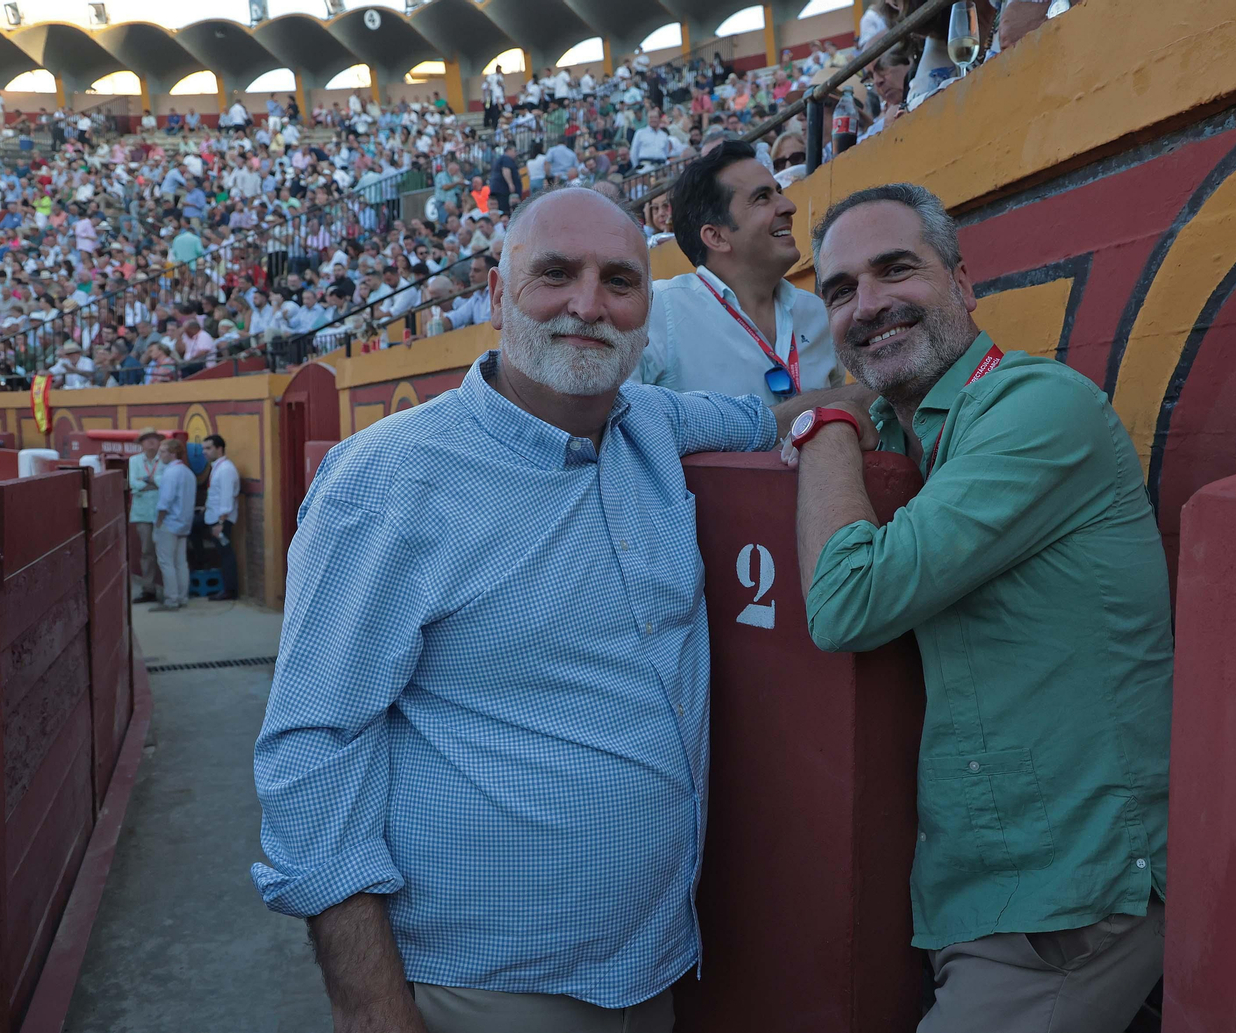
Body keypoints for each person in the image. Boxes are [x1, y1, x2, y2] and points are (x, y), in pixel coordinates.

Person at [252, 187, 778, 1033]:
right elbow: (313, 750)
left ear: (647, 310)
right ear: (498, 298)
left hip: (656, 967)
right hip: (487, 989)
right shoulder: (389, 480)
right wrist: (374, 1012)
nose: (588, 304)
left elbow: (774, 419)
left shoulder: (651, 423)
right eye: (555, 274)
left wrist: (847, 420)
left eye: (620, 281)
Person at [788, 183, 1172, 1033]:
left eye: (897, 270)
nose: (870, 304)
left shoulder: (1038, 406)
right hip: (991, 888)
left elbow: (846, 604)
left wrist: (823, 432)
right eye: (842, 289)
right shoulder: (913, 428)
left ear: (964, 285)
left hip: (1066, 902)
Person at [635, 140, 866, 426]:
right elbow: (620, 428)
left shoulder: (817, 313)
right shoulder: (659, 310)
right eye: (762, 198)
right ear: (716, 237)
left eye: (778, 192)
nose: (789, 206)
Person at [151, 437, 196, 611]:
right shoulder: (188, 472)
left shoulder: (171, 472)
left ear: (172, 453)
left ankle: (171, 599)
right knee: (180, 562)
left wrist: (158, 522)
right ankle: (182, 597)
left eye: (162, 451)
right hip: (184, 522)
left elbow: (165, 501)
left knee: (166, 562)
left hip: (169, 522)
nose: (160, 455)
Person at [202, 433, 240, 601]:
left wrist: (220, 522)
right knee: (224, 553)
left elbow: (226, 497)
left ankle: (229, 590)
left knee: (226, 554)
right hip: (215, 517)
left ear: (219, 448)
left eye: (208, 448)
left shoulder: (225, 469)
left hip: (221, 520)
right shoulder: (218, 467)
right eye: (203, 448)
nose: (205, 452)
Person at [128, 429, 164, 603]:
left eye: (154, 439)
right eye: (146, 439)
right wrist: (155, 483)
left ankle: (167, 589)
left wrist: (147, 481)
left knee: (164, 551)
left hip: (163, 512)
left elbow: (166, 483)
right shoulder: (133, 461)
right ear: (141, 444)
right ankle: (148, 589)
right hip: (142, 513)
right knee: (147, 551)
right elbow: (132, 484)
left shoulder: (165, 459)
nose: (150, 442)